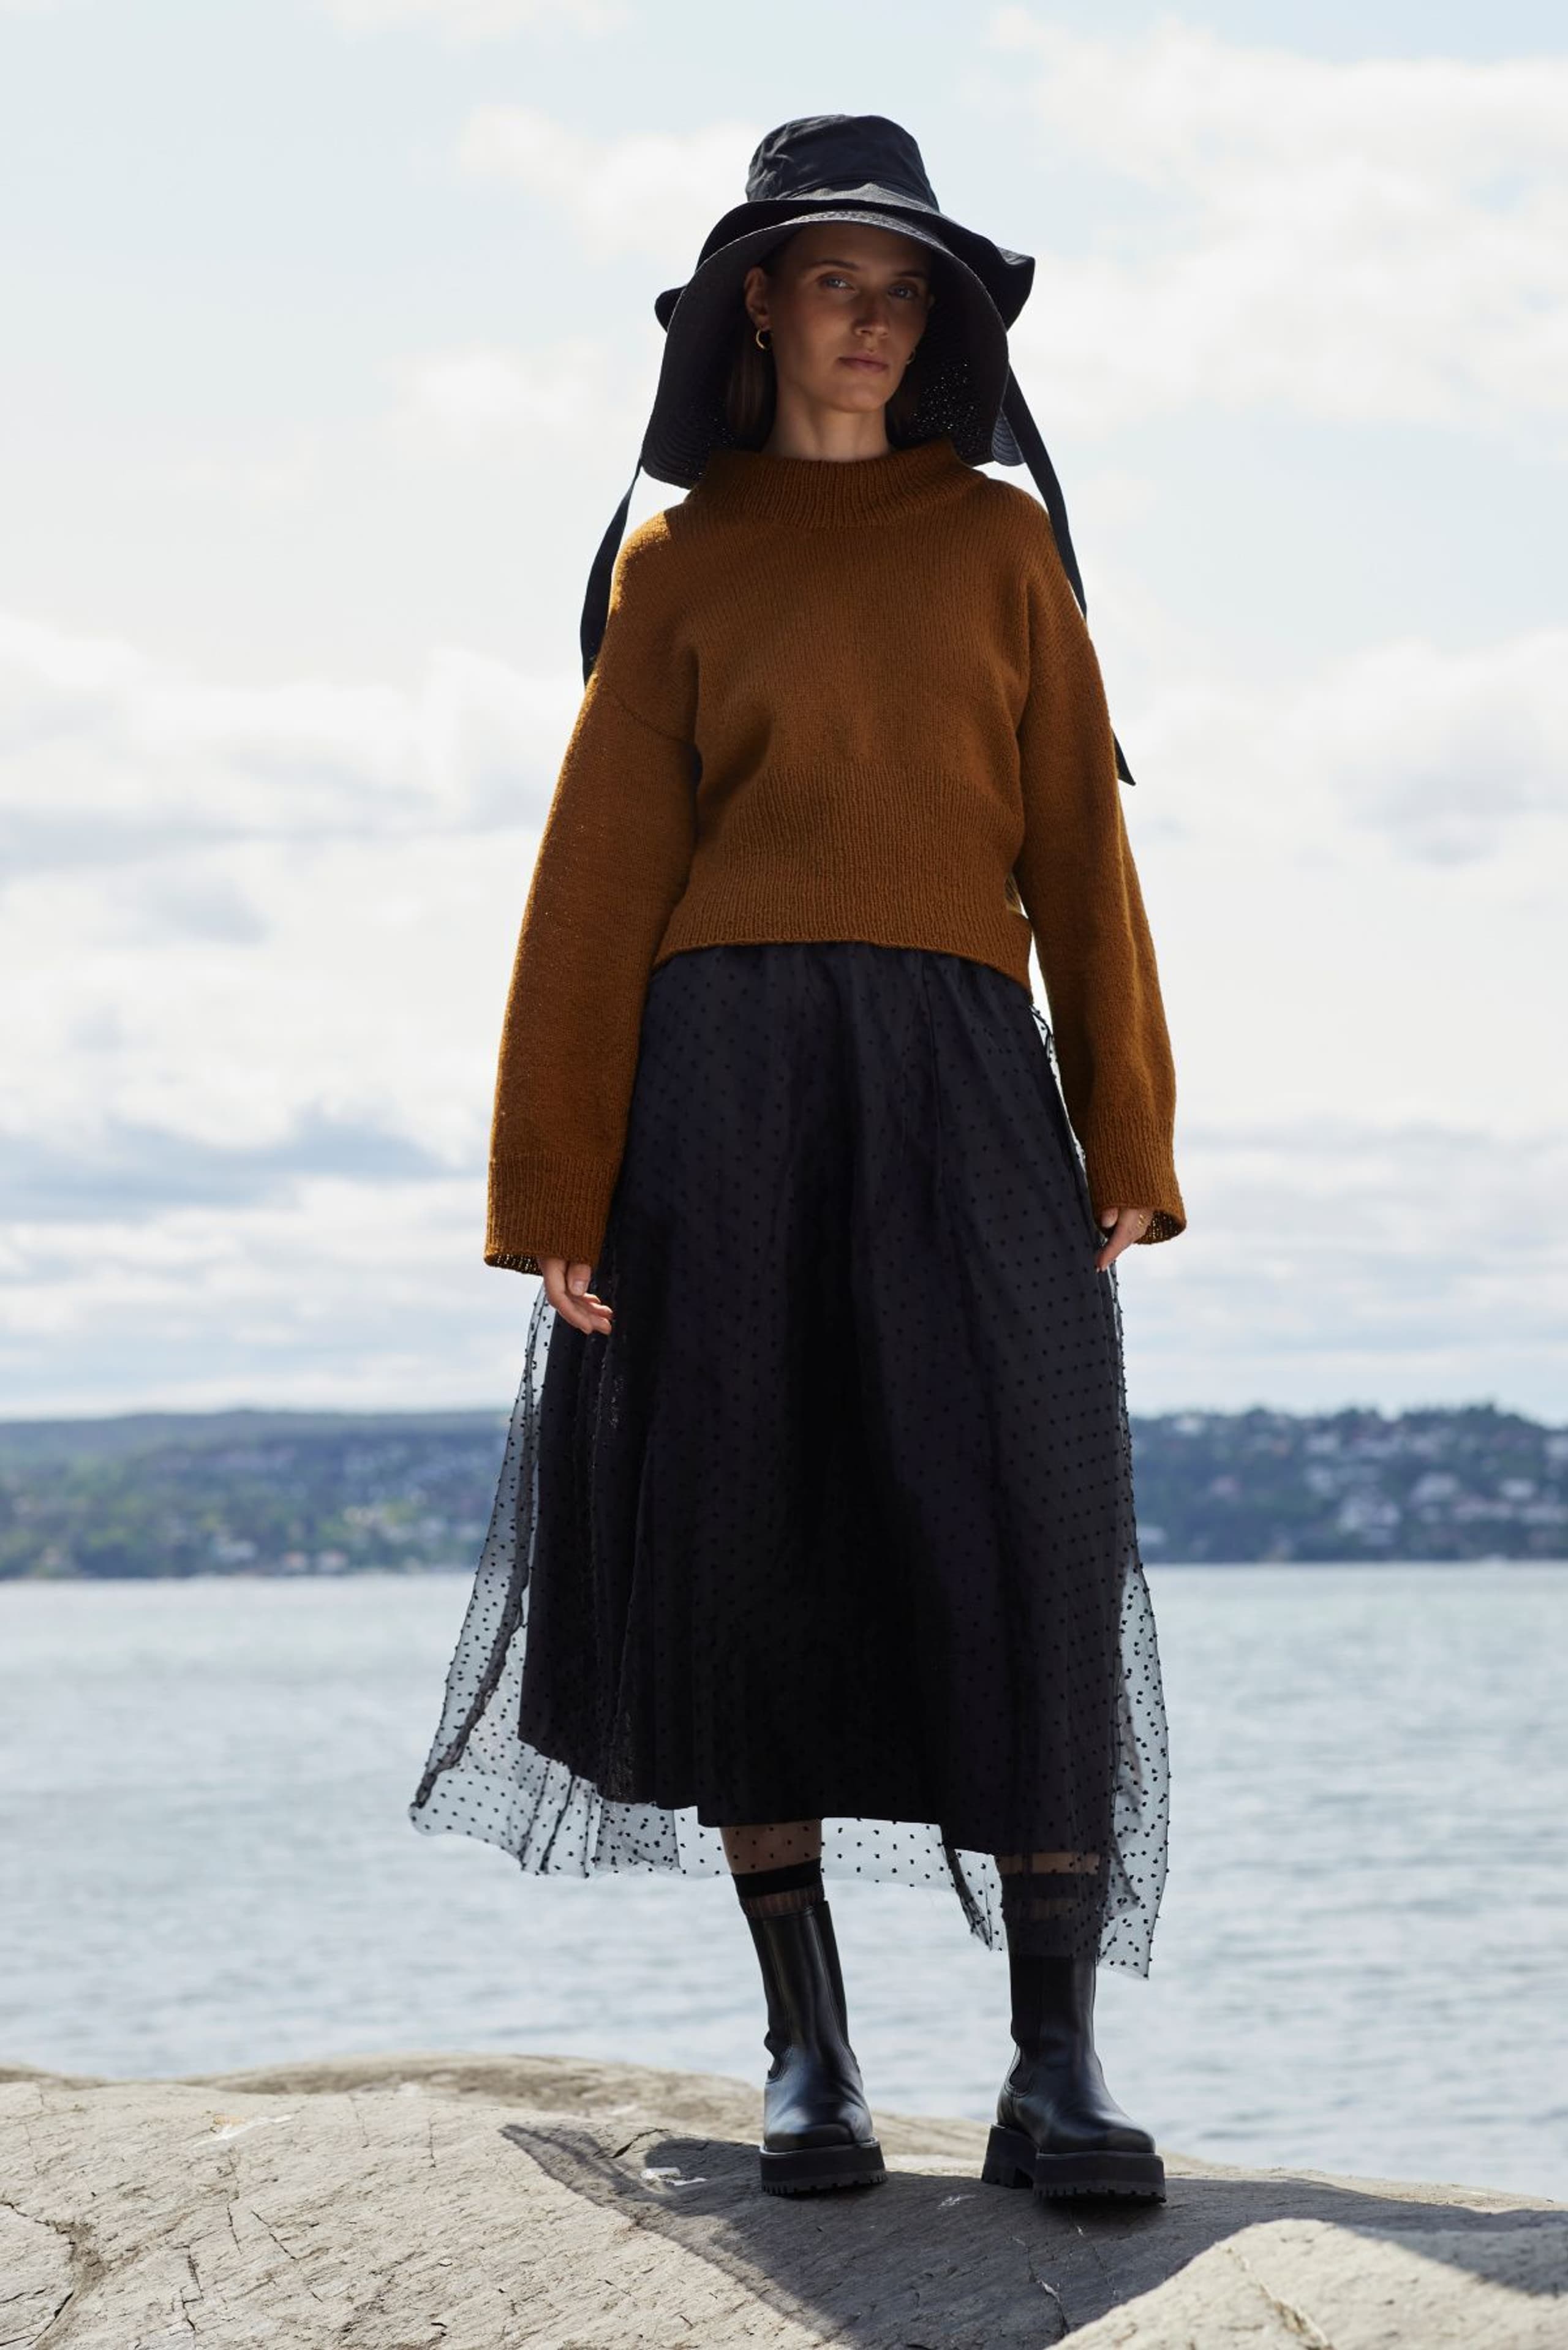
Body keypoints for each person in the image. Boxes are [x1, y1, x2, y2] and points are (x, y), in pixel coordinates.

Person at [410, 113, 1186, 2207]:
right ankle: (808, 2051)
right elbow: (597, 883)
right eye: (837, 279)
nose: (873, 318)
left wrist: (1127, 1124)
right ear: (758, 303)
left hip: (963, 1076)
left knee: (1030, 1526)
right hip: (724, 1087)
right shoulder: (677, 562)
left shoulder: (1000, 545)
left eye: (903, 289)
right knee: (742, 1526)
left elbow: (1079, 844)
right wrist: (551, 1190)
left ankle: (1056, 2068)